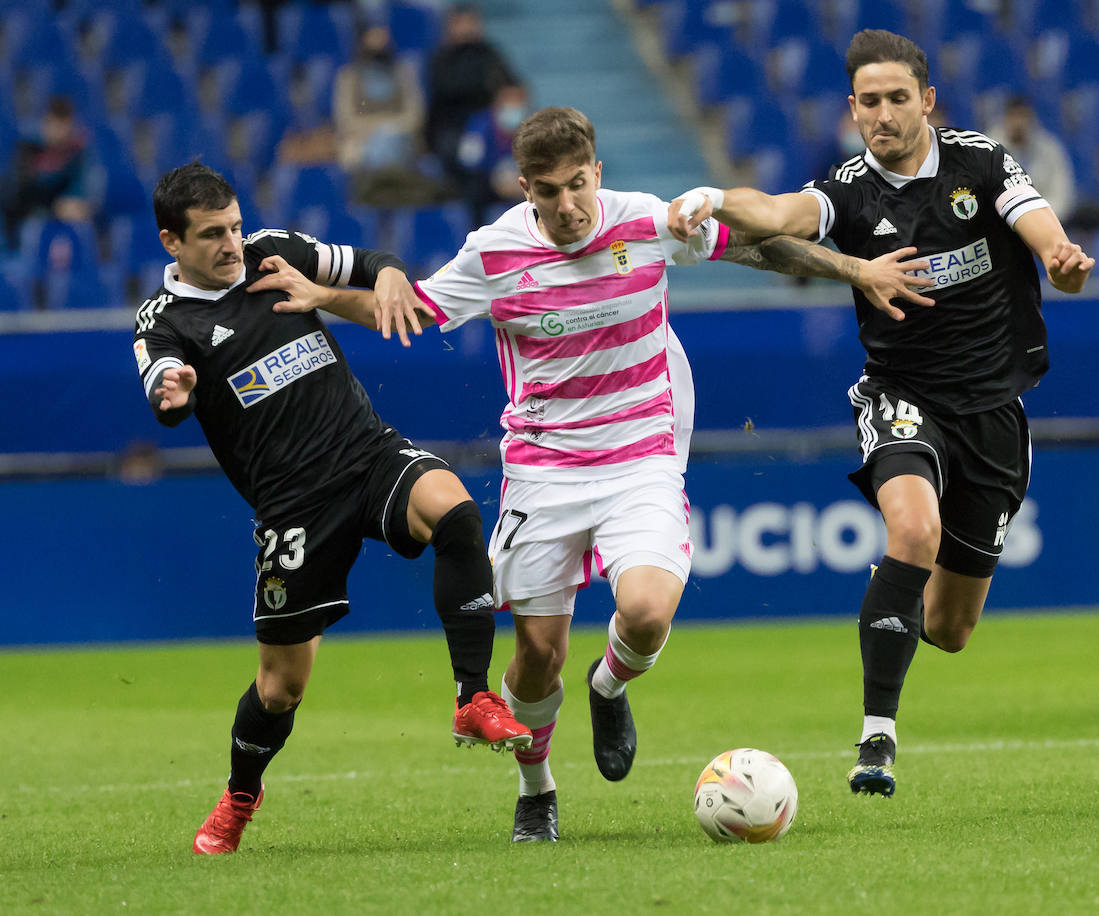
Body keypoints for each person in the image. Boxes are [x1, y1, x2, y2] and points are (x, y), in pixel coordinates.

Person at [264, 106, 926, 841]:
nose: (568, 204)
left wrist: (856, 268)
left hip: (639, 454)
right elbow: (415, 309)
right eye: (549, 191)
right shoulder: (493, 253)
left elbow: (760, 249)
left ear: (598, 173)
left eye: (579, 184)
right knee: (537, 656)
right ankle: (537, 789)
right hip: (545, 469)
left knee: (644, 611)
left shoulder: (645, 222)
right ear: (524, 188)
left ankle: (608, 685)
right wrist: (327, 297)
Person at [669, 29, 1094, 797]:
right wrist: (711, 199)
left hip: (994, 412)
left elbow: (1041, 228)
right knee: (914, 529)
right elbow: (775, 213)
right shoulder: (849, 187)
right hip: (903, 396)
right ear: (853, 109)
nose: (884, 115)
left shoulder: (980, 161)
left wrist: (1061, 257)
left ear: (928, 101)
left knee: (951, 630)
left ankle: (893, 597)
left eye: (899, 99)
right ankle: (877, 740)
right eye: (869, 102)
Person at [132, 162, 530, 856]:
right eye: (211, 236)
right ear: (172, 241)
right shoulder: (165, 322)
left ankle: (473, 698)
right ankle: (240, 797)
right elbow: (163, 387)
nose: (232, 244)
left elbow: (370, 259)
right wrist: (176, 391)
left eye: (233, 225)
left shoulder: (272, 250)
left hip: (365, 454)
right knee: (281, 687)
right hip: (292, 506)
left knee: (458, 513)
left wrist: (391, 275)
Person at [333, 23, 430, 206]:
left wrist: (389, 131)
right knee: (366, 154)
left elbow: (415, 114)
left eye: (383, 37)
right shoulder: (348, 76)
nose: (378, 43)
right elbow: (345, 118)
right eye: (373, 37)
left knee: (390, 145)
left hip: (400, 136)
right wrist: (377, 132)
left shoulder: (404, 73)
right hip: (360, 139)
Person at [426, 4, 519, 190]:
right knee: (465, 160)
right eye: (462, 23)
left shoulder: (490, 54)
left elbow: (512, 85)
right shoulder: (441, 57)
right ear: (451, 26)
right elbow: (446, 91)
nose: (468, 28)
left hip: (488, 125)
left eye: (472, 22)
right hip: (453, 128)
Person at [1, 96, 91, 251]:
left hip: (60, 219)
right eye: (57, 125)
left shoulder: (76, 150)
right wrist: (55, 207)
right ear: (47, 122)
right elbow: (19, 193)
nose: (61, 132)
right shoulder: (28, 146)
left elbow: (81, 188)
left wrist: (78, 203)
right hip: (21, 221)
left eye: (65, 126)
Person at [983, 96, 1075, 220]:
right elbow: (984, 194)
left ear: (1032, 119)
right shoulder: (988, 147)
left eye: (1023, 116)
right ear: (1005, 118)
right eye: (1013, 116)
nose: (1018, 123)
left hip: (1045, 224)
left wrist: (1042, 219)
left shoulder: (1049, 148)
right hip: (1001, 224)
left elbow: (1062, 193)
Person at [454, 82, 528, 217]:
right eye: (508, 100)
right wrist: (496, 180)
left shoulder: (536, 127)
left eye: (518, 100)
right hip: (487, 186)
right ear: (497, 103)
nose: (513, 105)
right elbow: (467, 162)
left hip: (522, 186)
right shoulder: (479, 125)